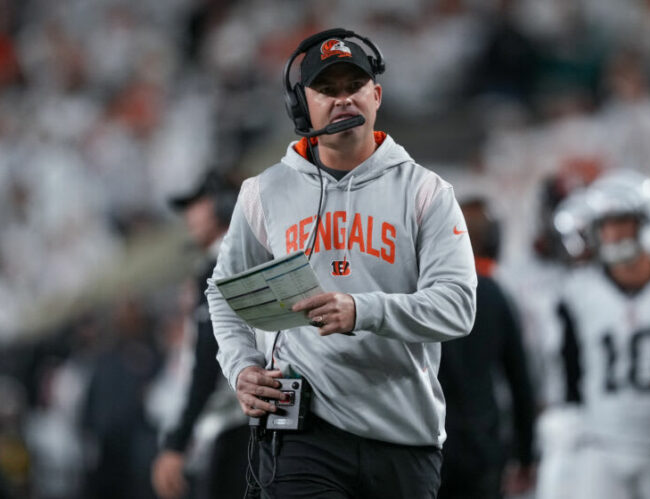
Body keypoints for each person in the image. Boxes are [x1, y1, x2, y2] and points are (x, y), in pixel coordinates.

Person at [205, 28, 477, 499]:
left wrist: (362, 310)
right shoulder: (264, 192)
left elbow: (457, 308)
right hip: (303, 433)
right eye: (327, 90)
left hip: (402, 433)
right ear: (302, 105)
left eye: (353, 86)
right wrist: (241, 367)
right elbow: (224, 292)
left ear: (376, 94)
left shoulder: (426, 191)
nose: (342, 100)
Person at [559, 170, 650, 499]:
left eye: (623, 221)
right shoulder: (581, 289)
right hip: (601, 442)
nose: (613, 233)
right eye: (606, 224)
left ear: (648, 222)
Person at [151, 169, 249, 499]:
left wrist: (177, 442)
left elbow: (209, 359)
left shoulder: (221, 264)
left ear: (223, 205)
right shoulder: (242, 257)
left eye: (198, 203)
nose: (189, 215)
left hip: (237, 426)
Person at [438, 198, 536, 499]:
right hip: (482, 446)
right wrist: (526, 453)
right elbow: (520, 380)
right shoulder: (496, 293)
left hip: (427, 442)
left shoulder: (421, 288)